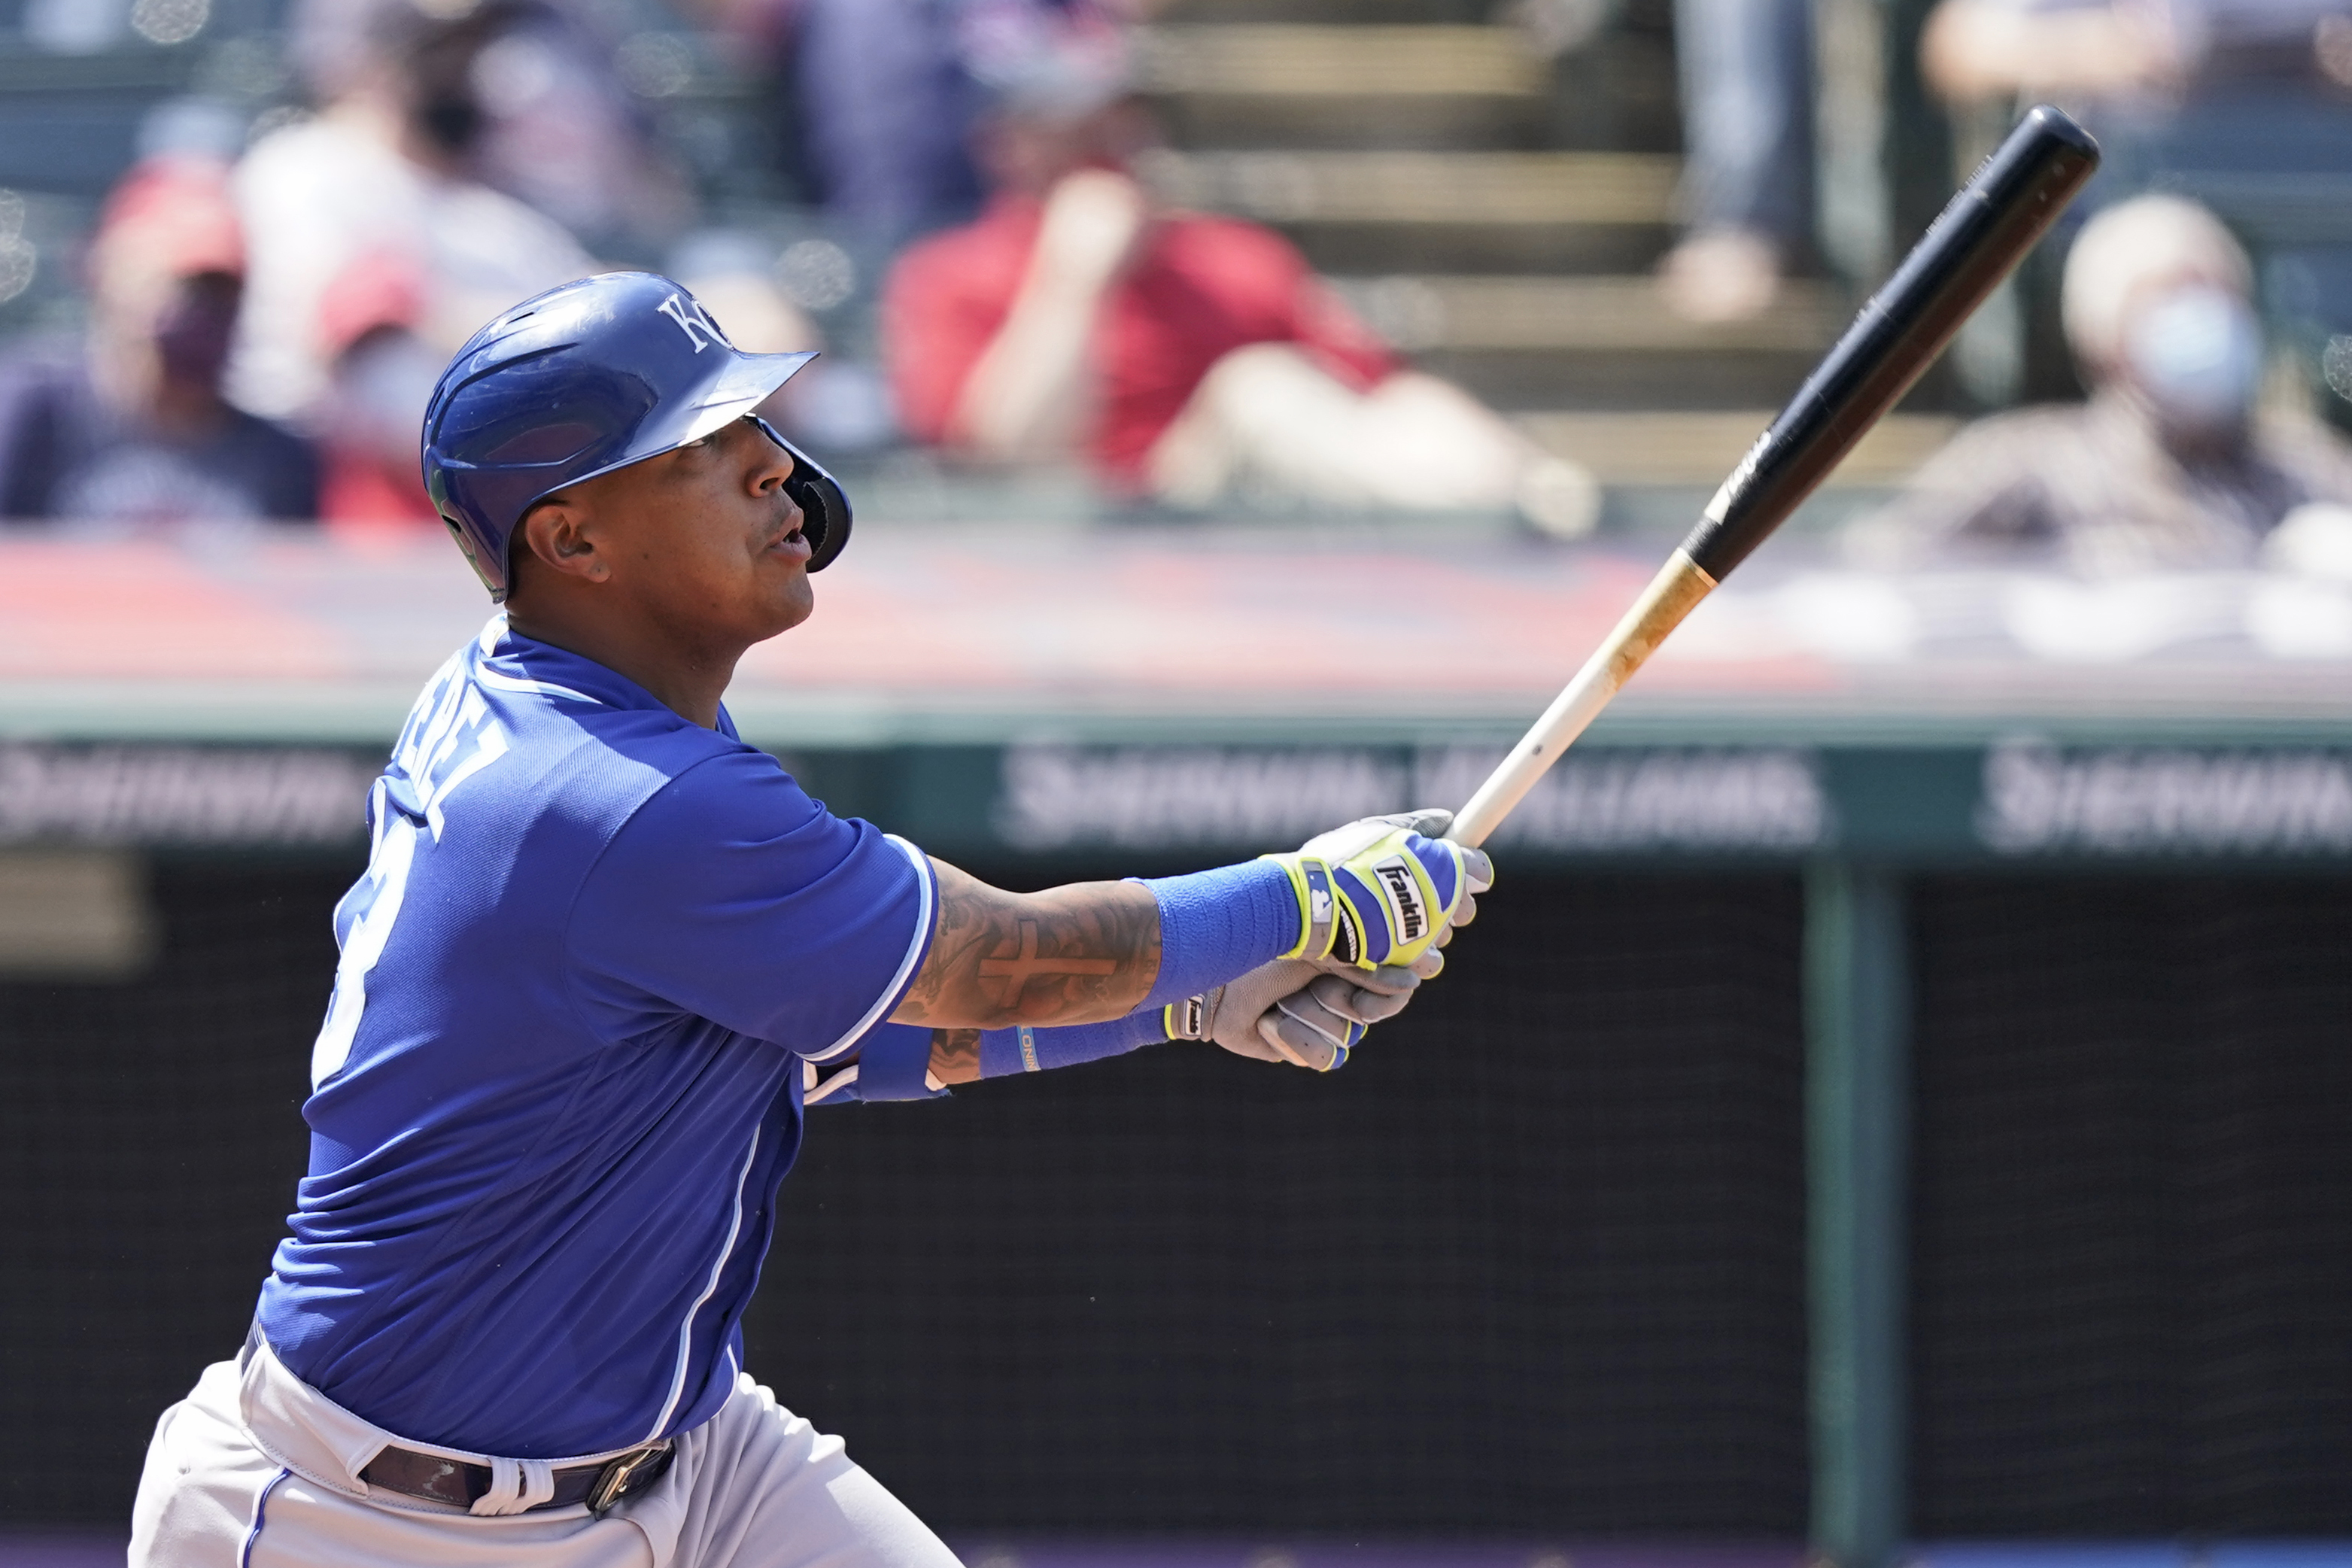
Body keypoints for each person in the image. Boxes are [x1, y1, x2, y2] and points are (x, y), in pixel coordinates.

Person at [126, 269, 1493, 1567]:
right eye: (698, 445)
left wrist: (1191, 1002)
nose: (773, 462)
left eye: (754, 425)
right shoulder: (612, 797)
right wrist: (1307, 895)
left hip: (689, 1460)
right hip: (372, 1521)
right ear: (572, 537)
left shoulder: (568, 702)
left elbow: (833, 1041)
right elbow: (995, 966)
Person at [880, 29, 1600, 536]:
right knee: (1257, 389)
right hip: (1070, 551)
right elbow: (1001, 465)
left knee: (1350, 401)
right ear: (1011, 144)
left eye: (1130, 121)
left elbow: (1382, 391)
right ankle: (1483, 533)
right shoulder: (947, 274)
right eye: (1083, 126)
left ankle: (1534, 526)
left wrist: (1532, 477)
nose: (1118, 147)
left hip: (1251, 543)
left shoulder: (1230, 255)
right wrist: (1074, 282)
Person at [1846, 195, 2352, 574]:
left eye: (2212, 292)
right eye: (2166, 295)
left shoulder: (2302, 468)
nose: (2200, 316)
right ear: (2101, 330)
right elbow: (1884, 560)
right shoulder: (2025, 463)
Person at [229, 0, 599, 425]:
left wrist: (438, 320)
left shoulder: (506, 218)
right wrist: (535, 334)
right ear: (382, 58)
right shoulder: (308, 168)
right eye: (443, 49)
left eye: (476, 46)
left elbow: (596, 323)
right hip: (329, 465)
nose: (464, 71)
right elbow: (349, 323)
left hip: (487, 469)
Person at [0, 156, 318, 523]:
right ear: (110, 275)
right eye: (184, 287)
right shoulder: (35, 416)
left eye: (221, 291)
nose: (201, 313)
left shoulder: (279, 459)